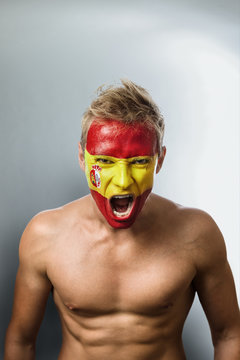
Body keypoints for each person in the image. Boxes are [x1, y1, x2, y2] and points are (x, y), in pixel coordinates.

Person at [4, 80, 240, 360]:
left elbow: (229, 334)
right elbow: (20, 340)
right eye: (104, 161)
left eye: (139, 162)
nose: (123, 182)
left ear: (159, 160)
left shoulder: (197, 234)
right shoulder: (45, 235)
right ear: (82, 157)